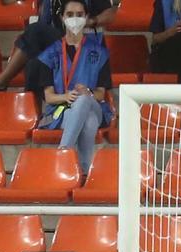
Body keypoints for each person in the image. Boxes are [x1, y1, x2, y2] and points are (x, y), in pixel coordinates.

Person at [0, 0, 115, 98]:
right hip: (57, 43)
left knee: (36, 31)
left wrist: (91, 21)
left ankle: (0, 82)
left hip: (82, 43)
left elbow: (111, 14)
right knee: (33, 62)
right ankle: (33, 110)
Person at [35, 0, 114, 174]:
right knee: (89, 121)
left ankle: (63, 155)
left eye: (79, 15)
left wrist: (88, 93)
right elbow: (48, 97)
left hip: (95, 104)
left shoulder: (100, 53)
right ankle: (84, 172)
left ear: (86, 17)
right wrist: (65, 97)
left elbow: (101, 93)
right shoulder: (49, 53)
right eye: (70, 15)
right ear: (62, 18)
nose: (75, 19)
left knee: (85, 99)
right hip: (61, 110)